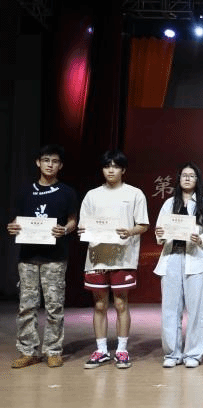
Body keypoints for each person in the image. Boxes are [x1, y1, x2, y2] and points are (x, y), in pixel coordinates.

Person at [7, 145, 77, 368]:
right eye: (46, 160)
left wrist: (64, 229)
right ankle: (28, 351)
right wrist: (13, 227)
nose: (50, 165)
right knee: (27, 305)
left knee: (54, 305)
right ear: (38, 163)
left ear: (60, 165)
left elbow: (73, 221)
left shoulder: (67, 192)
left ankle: (53, 350)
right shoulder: (25, 191)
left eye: (55, 161)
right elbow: (16, 221)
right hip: (28, 256)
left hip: (55, 257)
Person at [79, 150, 149, 369]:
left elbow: (143, 225)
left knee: (120, 303)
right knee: (99, 304)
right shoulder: (92, 195)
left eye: (116, 166)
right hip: (97, 257)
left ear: (123, 170)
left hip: (123, 257)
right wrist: (83, 230)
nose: (111, 170)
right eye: (107, 166)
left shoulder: (135, 193)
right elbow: (83, 226)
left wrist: (129, 231)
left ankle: (122, 350)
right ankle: (101, 350)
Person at [154, 162, 203, 368]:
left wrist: (201, 239)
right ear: (179, 179)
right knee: (170, 308)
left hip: (196, 259)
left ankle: (193, 354)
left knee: (196, 310)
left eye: (191, 175)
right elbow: (159, 230)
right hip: (172, 257)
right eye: (184, 175)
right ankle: (172, 354)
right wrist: (160, 234)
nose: (187, 178)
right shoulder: (169, 203)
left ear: (197, 180)